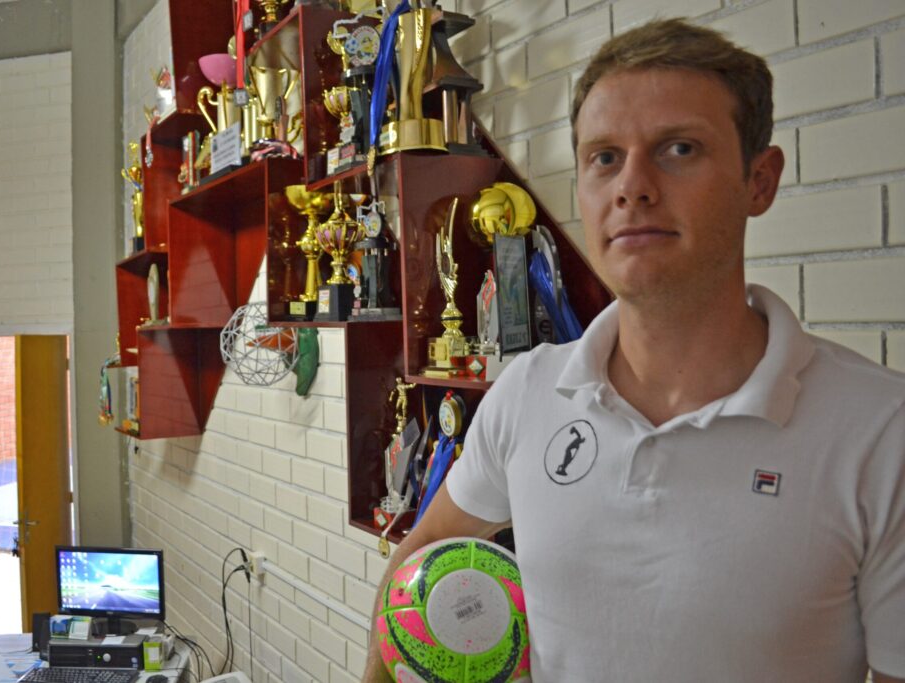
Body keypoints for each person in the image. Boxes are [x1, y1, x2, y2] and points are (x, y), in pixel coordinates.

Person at [364, 18, 905, 683]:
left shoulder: (882, 430)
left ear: (759, 181)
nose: (632, 186)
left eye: (679, 148)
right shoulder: (527, 392)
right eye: (604, 158)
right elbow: (422, 553)